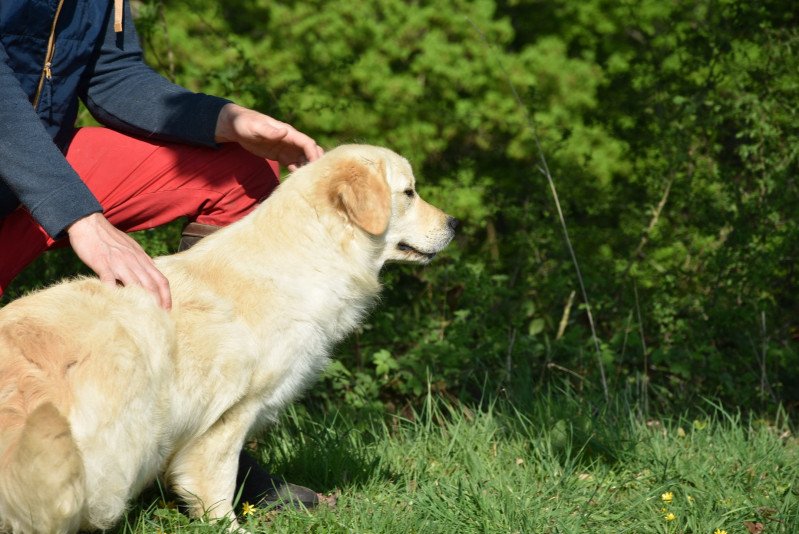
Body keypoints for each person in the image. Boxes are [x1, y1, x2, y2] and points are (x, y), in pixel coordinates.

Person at [0, 1, 321, 508]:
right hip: (34, 175)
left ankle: (207, 448)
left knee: (238, 172)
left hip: (36, 174)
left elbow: (112, 72)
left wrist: (223, 119)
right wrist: (79, 215)